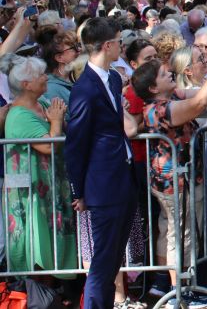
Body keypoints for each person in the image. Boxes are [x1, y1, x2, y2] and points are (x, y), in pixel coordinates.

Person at [133, 54, 207, 292]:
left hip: (176, 179)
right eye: (164, 75)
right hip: (177, 181)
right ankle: (180, 290)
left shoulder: (169, 98)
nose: (170, 74)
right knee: (181, 235)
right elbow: (199, 103)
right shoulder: (161, 109)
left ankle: (166, 286)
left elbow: (202, 94)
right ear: (153, 88)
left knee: (171, 231)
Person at [64, 17, 138, 309]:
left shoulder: (114, 78)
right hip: (103, 186)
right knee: (103, 263)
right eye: (119, 41)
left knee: (112, 260)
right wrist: (78, 191)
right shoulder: (84, 88)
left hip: (123, 178)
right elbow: (76, 142)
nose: (121, 45)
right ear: (108, 45)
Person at [4, 57, 76, 274]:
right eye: (40, 75)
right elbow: (49, 146)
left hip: (52, 187)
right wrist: (55, 122)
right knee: (36, 238)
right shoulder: (18, 115)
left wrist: (59, 121)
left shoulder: (44, 103)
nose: (46, 77)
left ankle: (56, 285)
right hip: (31, 192)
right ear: (26, 84)